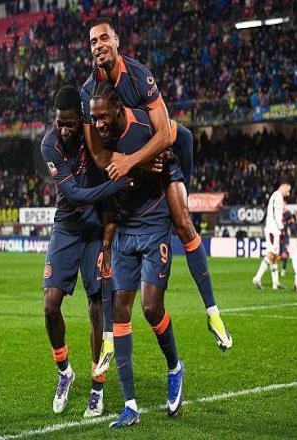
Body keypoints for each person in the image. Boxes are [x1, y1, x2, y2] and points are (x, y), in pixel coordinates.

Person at [81, 17, 232, 354]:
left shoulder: (139, 77)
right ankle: (111, 339)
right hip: (135, 170)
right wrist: (133, 163)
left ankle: (213, 313)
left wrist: (133, 161)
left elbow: (166, 135)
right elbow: (98, 154)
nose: (99, 45)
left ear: (116, 41)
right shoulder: (88, 92)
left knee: (184, 223)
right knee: (115, 241)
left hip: (162, 158)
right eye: (92, 42)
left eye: (104, 38)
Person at [90, 81, 185, 428]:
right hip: (124, 231)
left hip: (154, 224)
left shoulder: (145, 128)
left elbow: (178, 143)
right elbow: (103, 189)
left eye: (103, 116)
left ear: (118, 109)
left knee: (151, 307)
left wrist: (174, 189)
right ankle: (130, 405)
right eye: (93, 118)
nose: (98, 123)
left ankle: (174, 367)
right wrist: (106, 240)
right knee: (120, 310)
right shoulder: (99, 143)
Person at [41, 86, 131, 417]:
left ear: (80, 118)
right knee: (50, 305)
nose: (64, 129)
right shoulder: (49, 144)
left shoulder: (93, 132)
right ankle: (65, 372)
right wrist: (117, 184)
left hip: (95, 230)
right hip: (67, 226)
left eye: (70, 123)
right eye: (59, 123)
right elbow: (76, 195)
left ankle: (97, 386)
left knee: (97, 307)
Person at [253, 180, 291, 290]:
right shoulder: (278, 196)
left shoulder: (275, 196)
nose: (288, 194)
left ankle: (275, 282)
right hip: (273, 230)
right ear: (284, 187)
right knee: (271, 255)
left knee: (274, 257)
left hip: (273, 229)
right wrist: (281, 227)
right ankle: (257, 277)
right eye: (288, 190)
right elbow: (276, 215)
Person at [279, 209, 297, 276]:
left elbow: (292, 223)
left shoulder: (288, 214)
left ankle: (283, 269)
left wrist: (292, 224)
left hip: (285, 238)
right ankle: (275, 270)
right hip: (277, 238)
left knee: (284, 254)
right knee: (278, 256)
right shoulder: (276, 214)